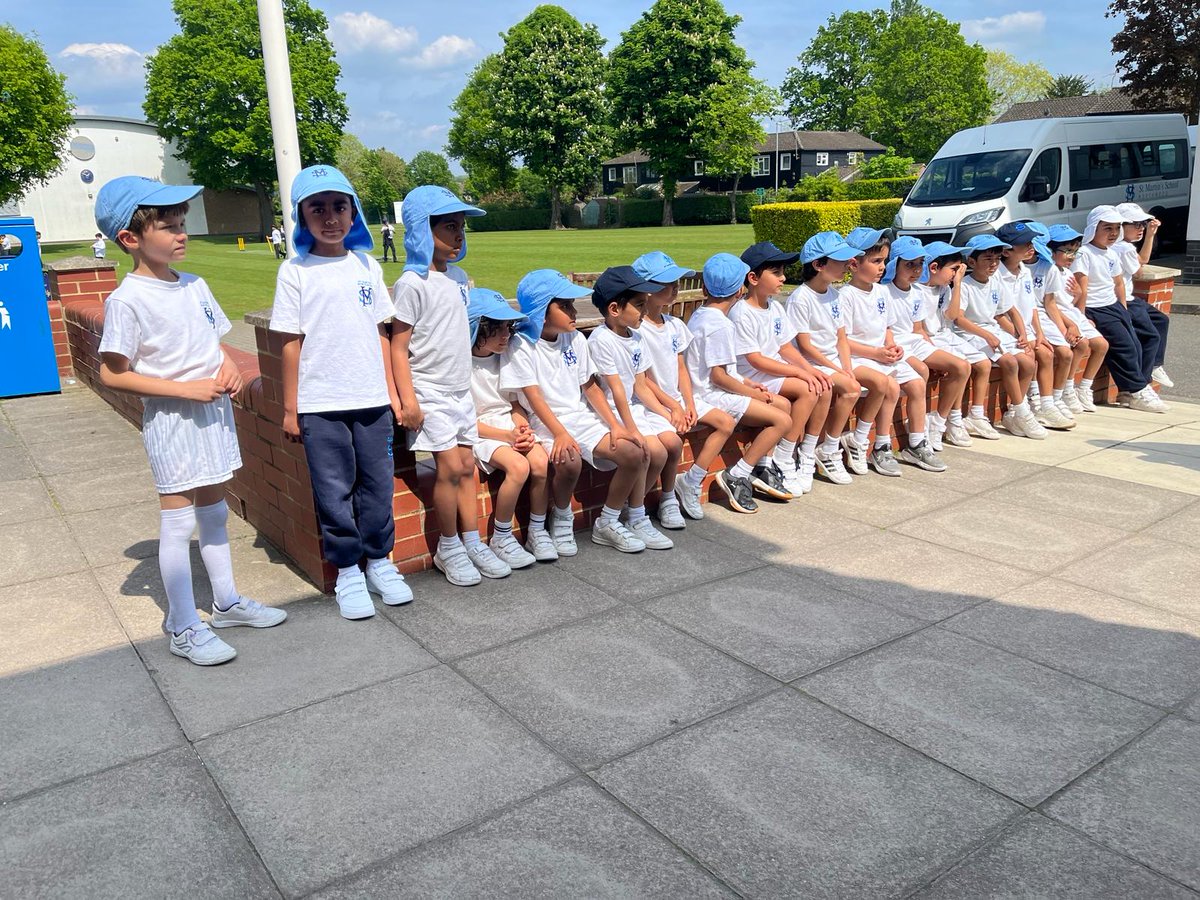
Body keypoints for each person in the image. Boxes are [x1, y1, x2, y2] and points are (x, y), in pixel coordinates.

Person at [94, 175, 287, 665]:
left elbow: (213, 340)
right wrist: (186, 389)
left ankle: (225, 602)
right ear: (130, 239)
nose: (182, 233)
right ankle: (182, 625)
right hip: (174, 422)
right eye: (170, 226)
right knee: (178, 525)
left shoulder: (195, 285)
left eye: (183, 224)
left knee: (215, 510)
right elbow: (112, 374)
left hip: (213, 415)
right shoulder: (127, 300)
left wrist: (224, 366)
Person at [272, 164, 412, 619]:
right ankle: (348, 569)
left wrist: (393, 393)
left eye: (339, 207)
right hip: (321, 405)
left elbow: (381, 334)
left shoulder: (366, 265)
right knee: (334, 490)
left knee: (376, 485)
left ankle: (379, 560)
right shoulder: (296, 272)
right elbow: (290, 343)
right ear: (302, 217)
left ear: (353, 213)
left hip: (371, 401)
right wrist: (292, 409)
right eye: (318, 209)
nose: (330, 217)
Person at [393, 185, 503, 585]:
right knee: (449, 468)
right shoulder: (411, 283)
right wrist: (408, 399)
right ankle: (449, 545)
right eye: (449, 227)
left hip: (460, 391)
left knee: (469, 465)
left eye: (461, 227)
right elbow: (399, 345)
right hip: (430, 392)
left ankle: (473, 540)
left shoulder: (458, 278)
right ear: (423, 231)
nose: (458, 235)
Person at [500, 268, 654, 553]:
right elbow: (533, 399)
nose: (574, 312)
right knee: (568, 460)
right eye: (565, 305)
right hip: (545, 422)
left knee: (634, 453)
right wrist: (559, 433)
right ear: (542, 311)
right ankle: (560, 517)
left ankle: (607, 522)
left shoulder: (576, 339)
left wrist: (615, 425)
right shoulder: (521, 345)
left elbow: (591, 387)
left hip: (580, 417)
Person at [631, 251, 736, 520]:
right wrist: (673, 406)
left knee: (725, 422)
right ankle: (663, 499)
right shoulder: (637, 331)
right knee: (673, 438)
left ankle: (690, 481)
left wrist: (688, 403)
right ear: (648, 290)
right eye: (668, 283)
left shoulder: (675, 325)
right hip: (651, 403)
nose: (676, 287)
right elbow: (645, 380)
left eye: (677, 281)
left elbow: (681, 368)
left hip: (679, 398)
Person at [686, 253, 793, 512]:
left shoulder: (702, 315)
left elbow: (725, 369)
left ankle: (760, 467)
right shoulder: (719, 325)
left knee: (782, 405)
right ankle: (738, 474)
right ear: (740, 290)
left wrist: (748, 383)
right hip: (709, 394)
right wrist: (751, 393)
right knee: (783, 420)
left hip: (714, 388)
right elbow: (718, 376)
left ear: (704, 288)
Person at [587, 266, 682, 547]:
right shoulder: (602, 340)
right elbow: (616, 390)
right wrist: (630, 429)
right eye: (639, 304)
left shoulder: (636, 336)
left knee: (669, 446)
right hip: (615, 412)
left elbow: (640, 385)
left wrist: (666, 411)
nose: (644, 310)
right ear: (615, 308)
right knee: (648, 449)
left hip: (634, 408)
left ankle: (633, 509)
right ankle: (636, 515)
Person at [731, 241, 832, 495]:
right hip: (754, 376)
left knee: (819, 384)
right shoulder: (741, 312)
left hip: (771, 371)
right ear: (753, 278)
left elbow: (786, 347)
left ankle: (799, 455)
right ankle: (784, 458)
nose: (783, 278)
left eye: (782, 272)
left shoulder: (775, 307)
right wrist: (799, 372)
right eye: (776, 273)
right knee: (808, 390)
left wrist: (808, 369)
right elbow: (755, 360)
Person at [840, 227, 937, 474]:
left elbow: (887, 327)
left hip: (881, 355)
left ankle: (916, 443)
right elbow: (842, 341)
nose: (882, 267)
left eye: (883, 260)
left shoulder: (881, 291)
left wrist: (891, 345)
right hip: (861, 357)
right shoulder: (847, 296)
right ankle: (881, 447)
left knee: (916, 384)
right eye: (875, 261)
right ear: (853, 264)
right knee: (891, 387)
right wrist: (876, 353)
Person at [467, 288, 546, 568]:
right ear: (476, 326)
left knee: (540, 461)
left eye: (508, 328)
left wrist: (521, 426)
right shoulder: (462, 364)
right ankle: (501, 536)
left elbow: (513, 404)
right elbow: (467, 421)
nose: (506, 335)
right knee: (519, 467)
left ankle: (537, 529)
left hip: (506, 427)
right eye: (497, 328)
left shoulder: (504, 356)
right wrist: (506, 436)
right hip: (481, 433)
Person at [786, 231, 866, 485]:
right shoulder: (801, 298)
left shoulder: (834, 294)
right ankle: (815, 451)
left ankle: (823, 449)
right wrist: (837, 370)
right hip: (811, 363)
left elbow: (841, 337)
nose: (846, 265)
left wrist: (846, 367)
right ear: (818, 265)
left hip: (830, 362)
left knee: (851, 385)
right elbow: (805, 346)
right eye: (840, 261)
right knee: (846, 389)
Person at [1071, 205, 1166, 413]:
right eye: (1107, 228)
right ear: (1093, 228)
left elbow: (1119, 284)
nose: (1113, 233)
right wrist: (1081, 316)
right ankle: (1136, 390)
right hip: (1095, 308)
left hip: (1113, 305)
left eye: (1116, 228)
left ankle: (1132, 390)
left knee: (1135, 343)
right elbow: (1082, 288)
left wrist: (1123, 309)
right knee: (1124, 346)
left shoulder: (1112, 253)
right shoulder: (1084, 253)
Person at [881, 236, 973, 451]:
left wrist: (935, 353)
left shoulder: (916, 293)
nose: (915, 269)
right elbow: (886, 330)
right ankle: (917, 429)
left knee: (961, 366)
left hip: (915, 342)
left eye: (919, 264)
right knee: (921, 370)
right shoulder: (884, 292)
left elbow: (919, 330)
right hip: (897, 343)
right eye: (909, 264)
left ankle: (937, 423)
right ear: (895, 265)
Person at [952, 234, 1044, 438]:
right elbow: (959, 319)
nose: (993, 264)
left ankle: (1014, 412)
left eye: (996, 259)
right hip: (971, 334)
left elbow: (1012, 310)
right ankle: (1021, 412)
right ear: (972, 262)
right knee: (1010, 363)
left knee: (1029, 362)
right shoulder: (966, 285)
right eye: (987, 259)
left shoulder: (996, 281)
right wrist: (986, 335)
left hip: (993, 332)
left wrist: (1023, 335)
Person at [994, 222, 1075, 431]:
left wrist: (1039, 334)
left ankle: (1046, 406)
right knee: (1033, 358)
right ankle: (1018, 411)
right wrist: (1020, 335)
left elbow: (1032, 308)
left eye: (1031, 242)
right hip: (1006, 330)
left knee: (1046, 352)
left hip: (1024, 329)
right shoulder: (996, 274)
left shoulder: (1024, 272)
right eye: (1024, 243)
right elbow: (999, 314)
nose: (1031, 246)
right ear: (1006, 250)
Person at [1038, 224, 1108, 413]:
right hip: (1058, 316)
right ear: (1051, 250)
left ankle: (1083, 388)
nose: (1072, 256)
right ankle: (1065, 390)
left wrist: (1078, 295)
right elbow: (1050, 303)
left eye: (1075, 251)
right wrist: (1068, 326)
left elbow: (1068, 301)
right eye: (1067, 251)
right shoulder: (1048, 270)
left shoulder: (1067, 273)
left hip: (1070, 313)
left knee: (1102, 345)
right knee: (1081, 345)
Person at [1114, 202, 1172, 389]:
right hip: (1124, 301)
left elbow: (1141, 261)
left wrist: (1150, 235)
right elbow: (1139, 271)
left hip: (1129, 297)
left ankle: (1155, 366)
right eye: (1136, 224)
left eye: (1143, 225)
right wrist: (1149, 236)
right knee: (1150, 337)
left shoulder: (1124, 246)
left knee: (1161, 320)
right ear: (1121, 226)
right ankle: (1144, 382)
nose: (1140, 229)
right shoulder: (1123, 247)